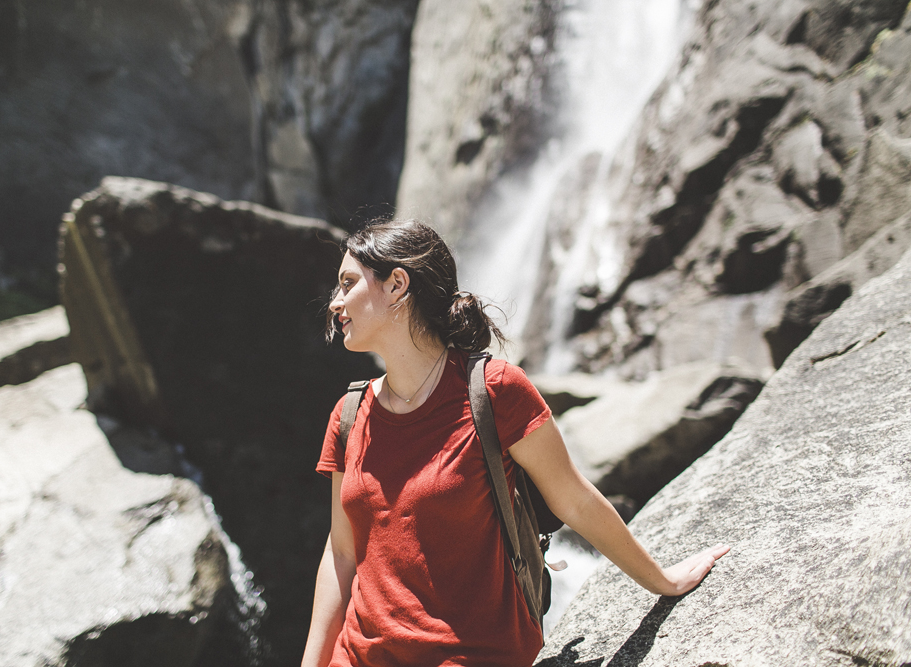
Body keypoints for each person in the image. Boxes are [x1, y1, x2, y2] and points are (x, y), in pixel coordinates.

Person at [302, 219, 729, 667]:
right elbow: (342, 551)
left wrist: (664, 581)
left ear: (396, 286)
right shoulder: (349, 414)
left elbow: (575, 501)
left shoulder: (494, 391)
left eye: (349, 283)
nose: (335, 302)